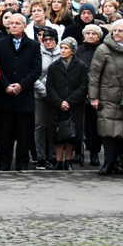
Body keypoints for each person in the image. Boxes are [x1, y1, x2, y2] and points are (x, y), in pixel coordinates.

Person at [89, 19, 123, 175]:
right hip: (107, 97)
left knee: (122, 131)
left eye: (120, 31)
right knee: (108, 130)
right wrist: (94, 97)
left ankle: (116, 162)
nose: (116, 33)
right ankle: (108, 162)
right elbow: (94, 75)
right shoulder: (103, 49)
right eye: (114, 30)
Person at [0, 14, 43, 171]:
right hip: (4, 96)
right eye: (11, 23)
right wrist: (6, 85)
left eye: (17, 23)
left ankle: (22, 164)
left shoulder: (33, 45)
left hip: (24, 97)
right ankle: (4, 163)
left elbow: (36, 70)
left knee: (24, 134)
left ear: (24, 26)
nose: (13, 26)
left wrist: (21, 85)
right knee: (4, 133)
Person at [45, 37, 90, 171]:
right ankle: (59, 161)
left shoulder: (81, 66)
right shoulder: (53, 66)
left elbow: (83, 86)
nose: (63, 51)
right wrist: (59, 102)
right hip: (57, 106)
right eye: (62, 48)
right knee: (58, 134)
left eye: (66, 48)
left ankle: (68, 161)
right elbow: (50, 86)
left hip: (74, 106)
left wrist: (70, 101)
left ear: (73, 51)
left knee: (71, 134)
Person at [33, 27, 61, 169]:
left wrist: (54, 95)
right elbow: (34, 74)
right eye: (45, 40)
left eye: (51, 40)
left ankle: (54, 156)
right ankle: (41, 157)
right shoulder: (37, 53)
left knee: (55, 125)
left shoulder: (62, 54)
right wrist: (45, 92)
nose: (48, 42)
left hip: (57, 96)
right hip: (40, 94)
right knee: (40, 125)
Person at [77, 25, 105, 166]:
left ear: (98, 36)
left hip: (98, 93)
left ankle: (95, 153)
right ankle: (77, 152)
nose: (90, 35)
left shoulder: (103, 50)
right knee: (79, 124)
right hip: (80, 92)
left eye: (94, 33)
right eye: (88, 33)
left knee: (95, 126)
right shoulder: (79, 50)